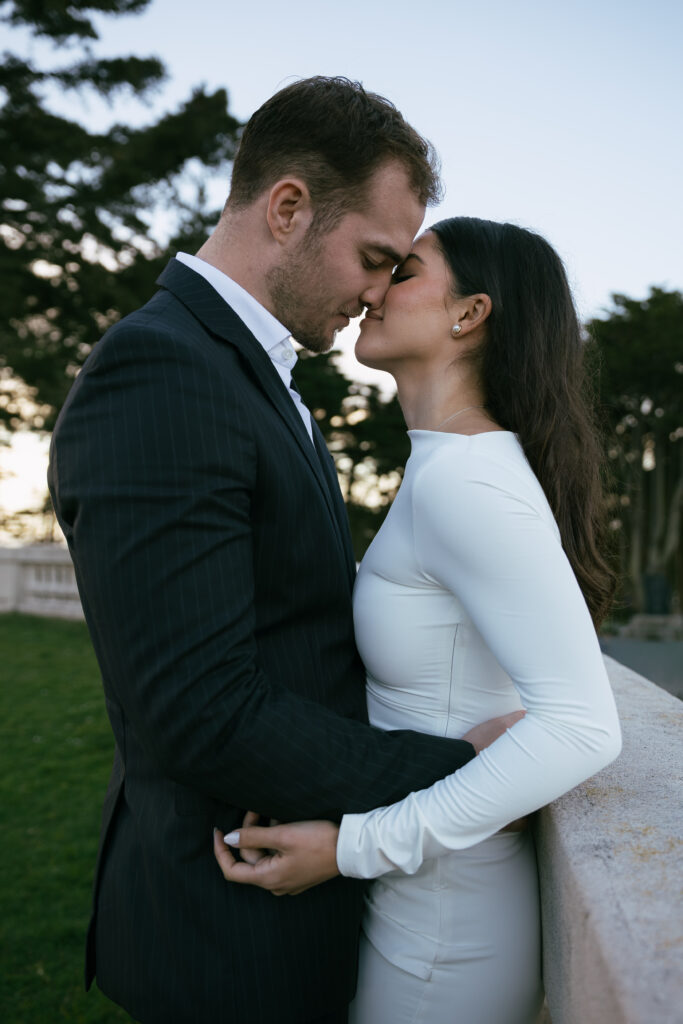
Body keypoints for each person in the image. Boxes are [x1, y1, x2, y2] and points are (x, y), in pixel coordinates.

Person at [47, 79, 519, 1024]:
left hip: (279, 893)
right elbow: (200, 709)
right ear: (289, 208)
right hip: (225, 922)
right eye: (376, 258)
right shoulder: (162, 368)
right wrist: (460, 767)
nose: (380, 292)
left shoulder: (262, 379)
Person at [214, 218, 623, 1023]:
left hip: (445, 928)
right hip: (423, 894)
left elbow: (581, 727)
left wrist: (348, 849)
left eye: (403, 271)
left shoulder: (467, 481)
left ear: (468, 315)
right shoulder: (445, 464)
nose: (372, 289)